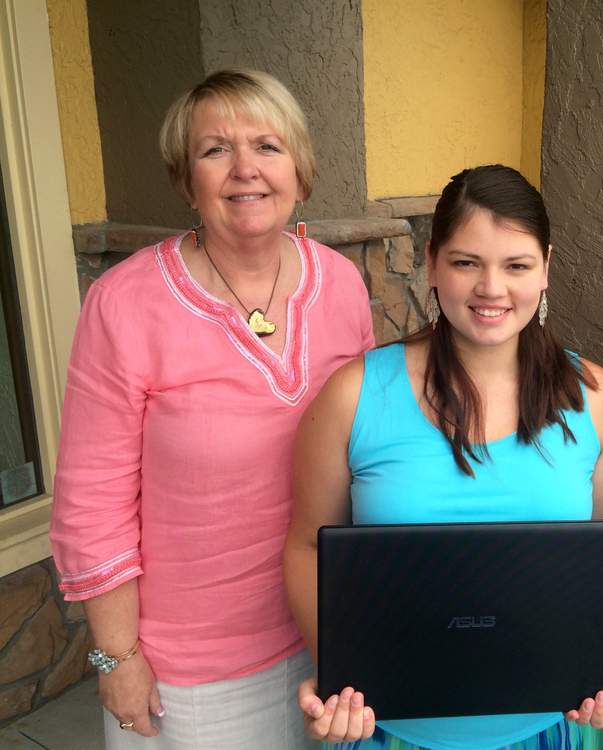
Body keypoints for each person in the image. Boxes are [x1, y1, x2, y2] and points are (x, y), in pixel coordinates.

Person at [49, 69, 373, 749]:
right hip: (191, 677)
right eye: (215, 150)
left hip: (327, 636)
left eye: (267, 146)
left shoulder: (340, 284)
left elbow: (367, 445)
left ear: (301, 170)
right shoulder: (125, 302)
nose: (245, 169)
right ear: (185, 180)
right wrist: (116, 659)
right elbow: (91, 502)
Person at [284, 164, 603, 748]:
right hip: (390, 726)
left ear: (546, 267)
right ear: (431, 262)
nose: (491, 289)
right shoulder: (355, 395)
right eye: (466, 262)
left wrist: (602, 648)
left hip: (553, 725)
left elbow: (597, 554)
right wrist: (338, 671)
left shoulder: (596, 400)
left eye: (516, 265)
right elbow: (304, 545)